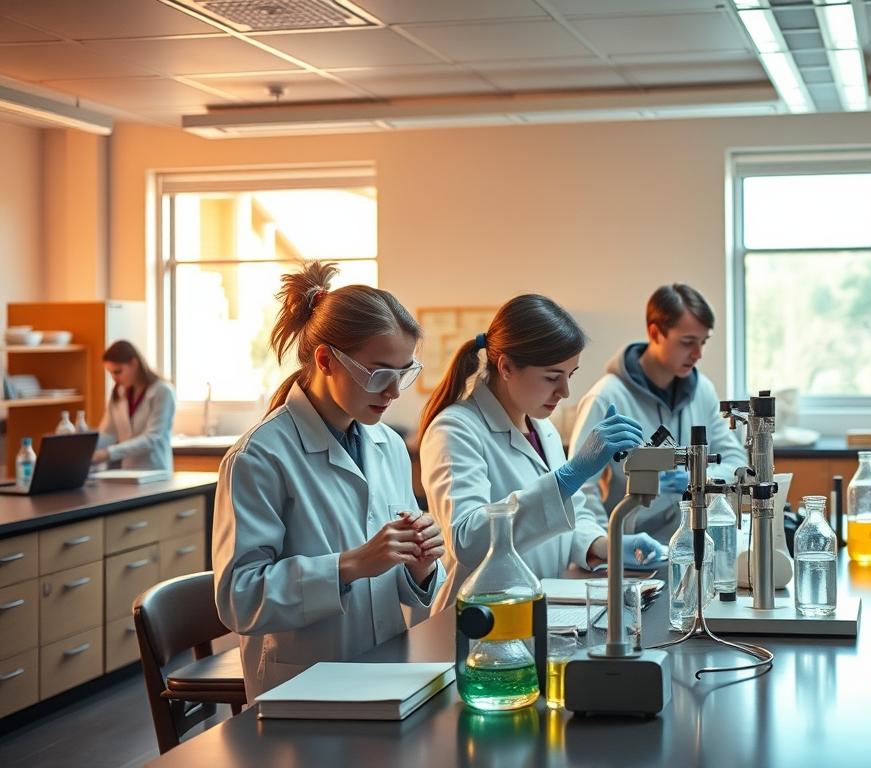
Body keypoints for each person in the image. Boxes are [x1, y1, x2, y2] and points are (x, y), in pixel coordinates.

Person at [213, 262, 444, 699]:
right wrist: (350, 565)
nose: (394, 391)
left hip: (386, 670)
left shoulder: (389, 446)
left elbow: (396, 582)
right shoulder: (260, 456)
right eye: (380, 373)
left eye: (403, 373)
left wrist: (421, 565)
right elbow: (240, 599)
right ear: (325, 360)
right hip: (302, 686)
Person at [418, 294, 664, 613]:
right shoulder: (455, 429)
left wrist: (605, 545)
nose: (565, 392)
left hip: (538, 608)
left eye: (569, 376)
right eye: (551, 377)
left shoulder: (541, 427)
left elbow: (569, 518)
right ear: (506, 367)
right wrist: (565, 479)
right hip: (482, 616)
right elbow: (468, 541)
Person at [568, 284, 746, 537]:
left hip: (692, 539)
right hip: (630, 544)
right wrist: (606, 545)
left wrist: (700, 477)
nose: (698, 354)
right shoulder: (606, 398)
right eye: (688, 342)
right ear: (655, 333)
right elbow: (580, 489)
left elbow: (736, 462)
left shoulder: (702, 391)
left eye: (703, 342)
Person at [94, 341, 175, 470]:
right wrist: (86, 447)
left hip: (154, 469)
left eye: (118, 371)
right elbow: (108, 432)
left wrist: (108, 453)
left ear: (134, 363)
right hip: (128, 471)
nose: (114, 378)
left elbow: (152, 437)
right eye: (111, 373)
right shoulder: (118, 392)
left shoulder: (162, 391)